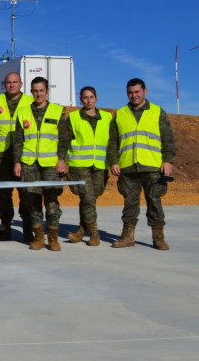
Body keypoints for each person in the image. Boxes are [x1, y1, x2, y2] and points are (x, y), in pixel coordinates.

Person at [106, 78, 176, 250]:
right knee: (130, 204)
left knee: (154, 201)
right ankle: (128, 237)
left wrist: (167, 161)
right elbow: (113, 141)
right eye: (130, 92)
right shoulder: (120, 114)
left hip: (152, 166)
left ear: (145, 91)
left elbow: (168, 139)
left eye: (137, 92)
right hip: (128, 167)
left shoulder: (157, 112)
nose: (134, 95)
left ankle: (158, 238)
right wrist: (113, 161)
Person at [12, 77, 72, 251]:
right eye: (35, 91)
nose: (38, 94)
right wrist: (17, 162)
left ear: (47, 91)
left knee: (52, 202)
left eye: (41, 90)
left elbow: (64, 139)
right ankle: (38, 237)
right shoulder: (23, 112)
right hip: (29, 163)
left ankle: (53, 239)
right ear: (31, 92)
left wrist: (61, 160)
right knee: (32, 201)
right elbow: (18, 140)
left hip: (51, 164)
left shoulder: (57, 111)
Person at [66, 86, 112, 246]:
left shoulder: (107, 118)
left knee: (90, 199)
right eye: (85, 97)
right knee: (87, 197)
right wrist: (63, 162)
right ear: (81, 99)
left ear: (96, 98)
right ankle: (95, 234)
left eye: (91, 97)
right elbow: (65, 141)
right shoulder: (73, 118)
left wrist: (114, 162)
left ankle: (80, 230)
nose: (88, 100)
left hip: (100, 165)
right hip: (79, 165)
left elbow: (112, 142)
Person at [0, 72, 34, 242]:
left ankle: (27, 228)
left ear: (21, 84)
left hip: (24, 156)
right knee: (3, 194)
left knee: (26, 193)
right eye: (8, 82)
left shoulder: (30, 102)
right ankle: (5, 227)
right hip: (2, 155)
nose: (11, 85)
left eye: (15, 82)